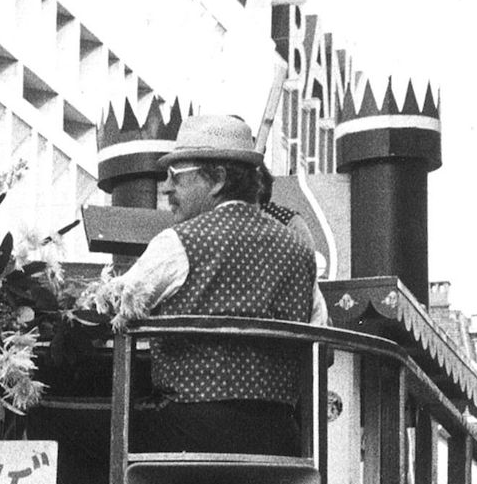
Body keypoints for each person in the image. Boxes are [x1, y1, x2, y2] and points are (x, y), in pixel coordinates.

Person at [115, 113, 328, 455]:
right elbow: (321, 341)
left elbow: (118, 303)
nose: (166, 187)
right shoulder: (301, 252)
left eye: (175, 176)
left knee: (88, 433)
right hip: (279, 436)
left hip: (189, 431)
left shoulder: (179, 242)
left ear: (216, 179)